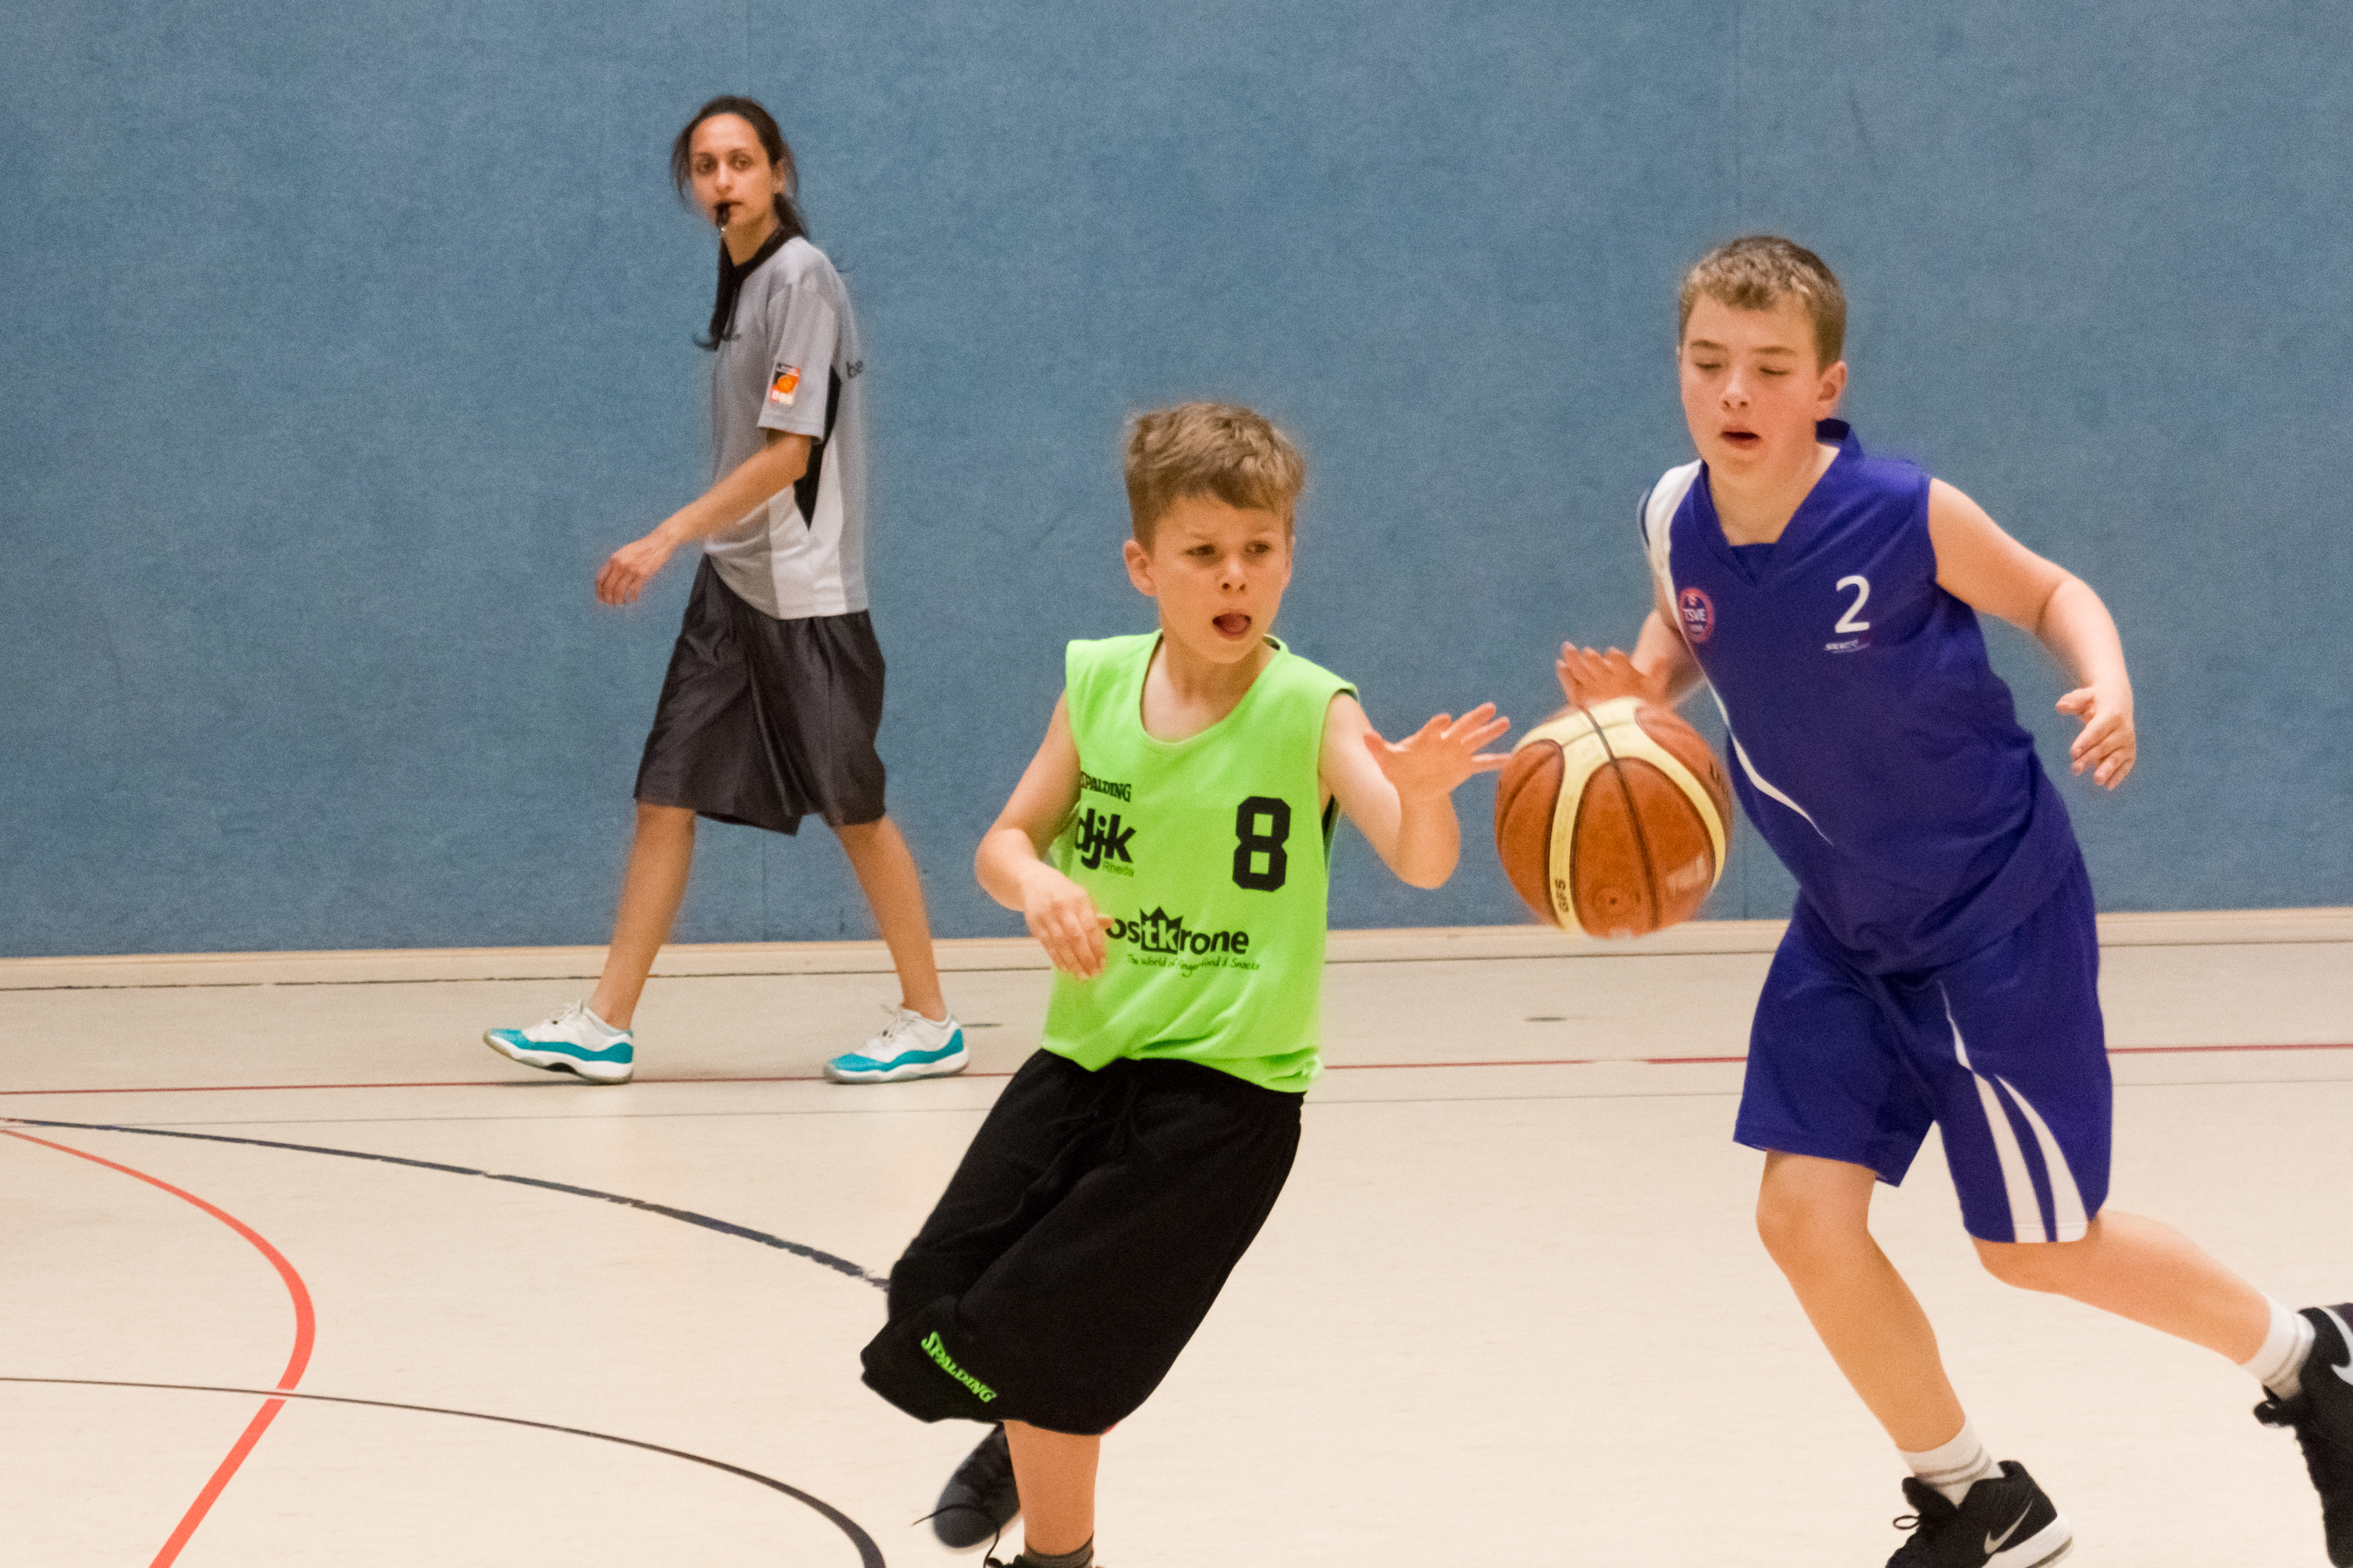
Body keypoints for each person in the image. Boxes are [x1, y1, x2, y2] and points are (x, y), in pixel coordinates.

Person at [1555, 235, 2352, 1567]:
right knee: (1800, 1221)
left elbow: (2049, 592)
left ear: (1827, 387)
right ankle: (1976, 1500)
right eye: (1709, 363)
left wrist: (2106, 678)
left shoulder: (1900, 512)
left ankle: (2308, 1355)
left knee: (2036, 1248)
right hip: (1842, 928)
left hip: (1990, 921)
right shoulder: (1671, 514)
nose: (1735, 391)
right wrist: (1641, 694)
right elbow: (1690, 630)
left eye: (1770, 368)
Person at [857, 402, 1509, 1567]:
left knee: (1048, 1345)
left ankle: (1057, 1548)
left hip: (1224, 1101)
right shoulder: (1098, 683)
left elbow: (1419, 863)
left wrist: (1420, 795)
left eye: (1259, 548)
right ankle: (1022, 1432)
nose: (1234, 575)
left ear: (1289, 557)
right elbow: (1003, 843)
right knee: (932, 1295)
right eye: (1203, 551)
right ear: (1143, 565)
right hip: (1084, 1063)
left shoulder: (1313, 709)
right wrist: (1036, 887)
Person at [484, 96, 962, 1087]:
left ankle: (931, 1021)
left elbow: (788, 455)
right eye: (705, 166)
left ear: (778, 172)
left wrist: (666, 534)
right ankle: (605, 1024)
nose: (722, 180)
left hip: (805, 598)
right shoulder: (745, 286)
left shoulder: (802, 278)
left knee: (855, 809)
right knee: (665, 793)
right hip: (733, 587)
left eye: (741, 161)